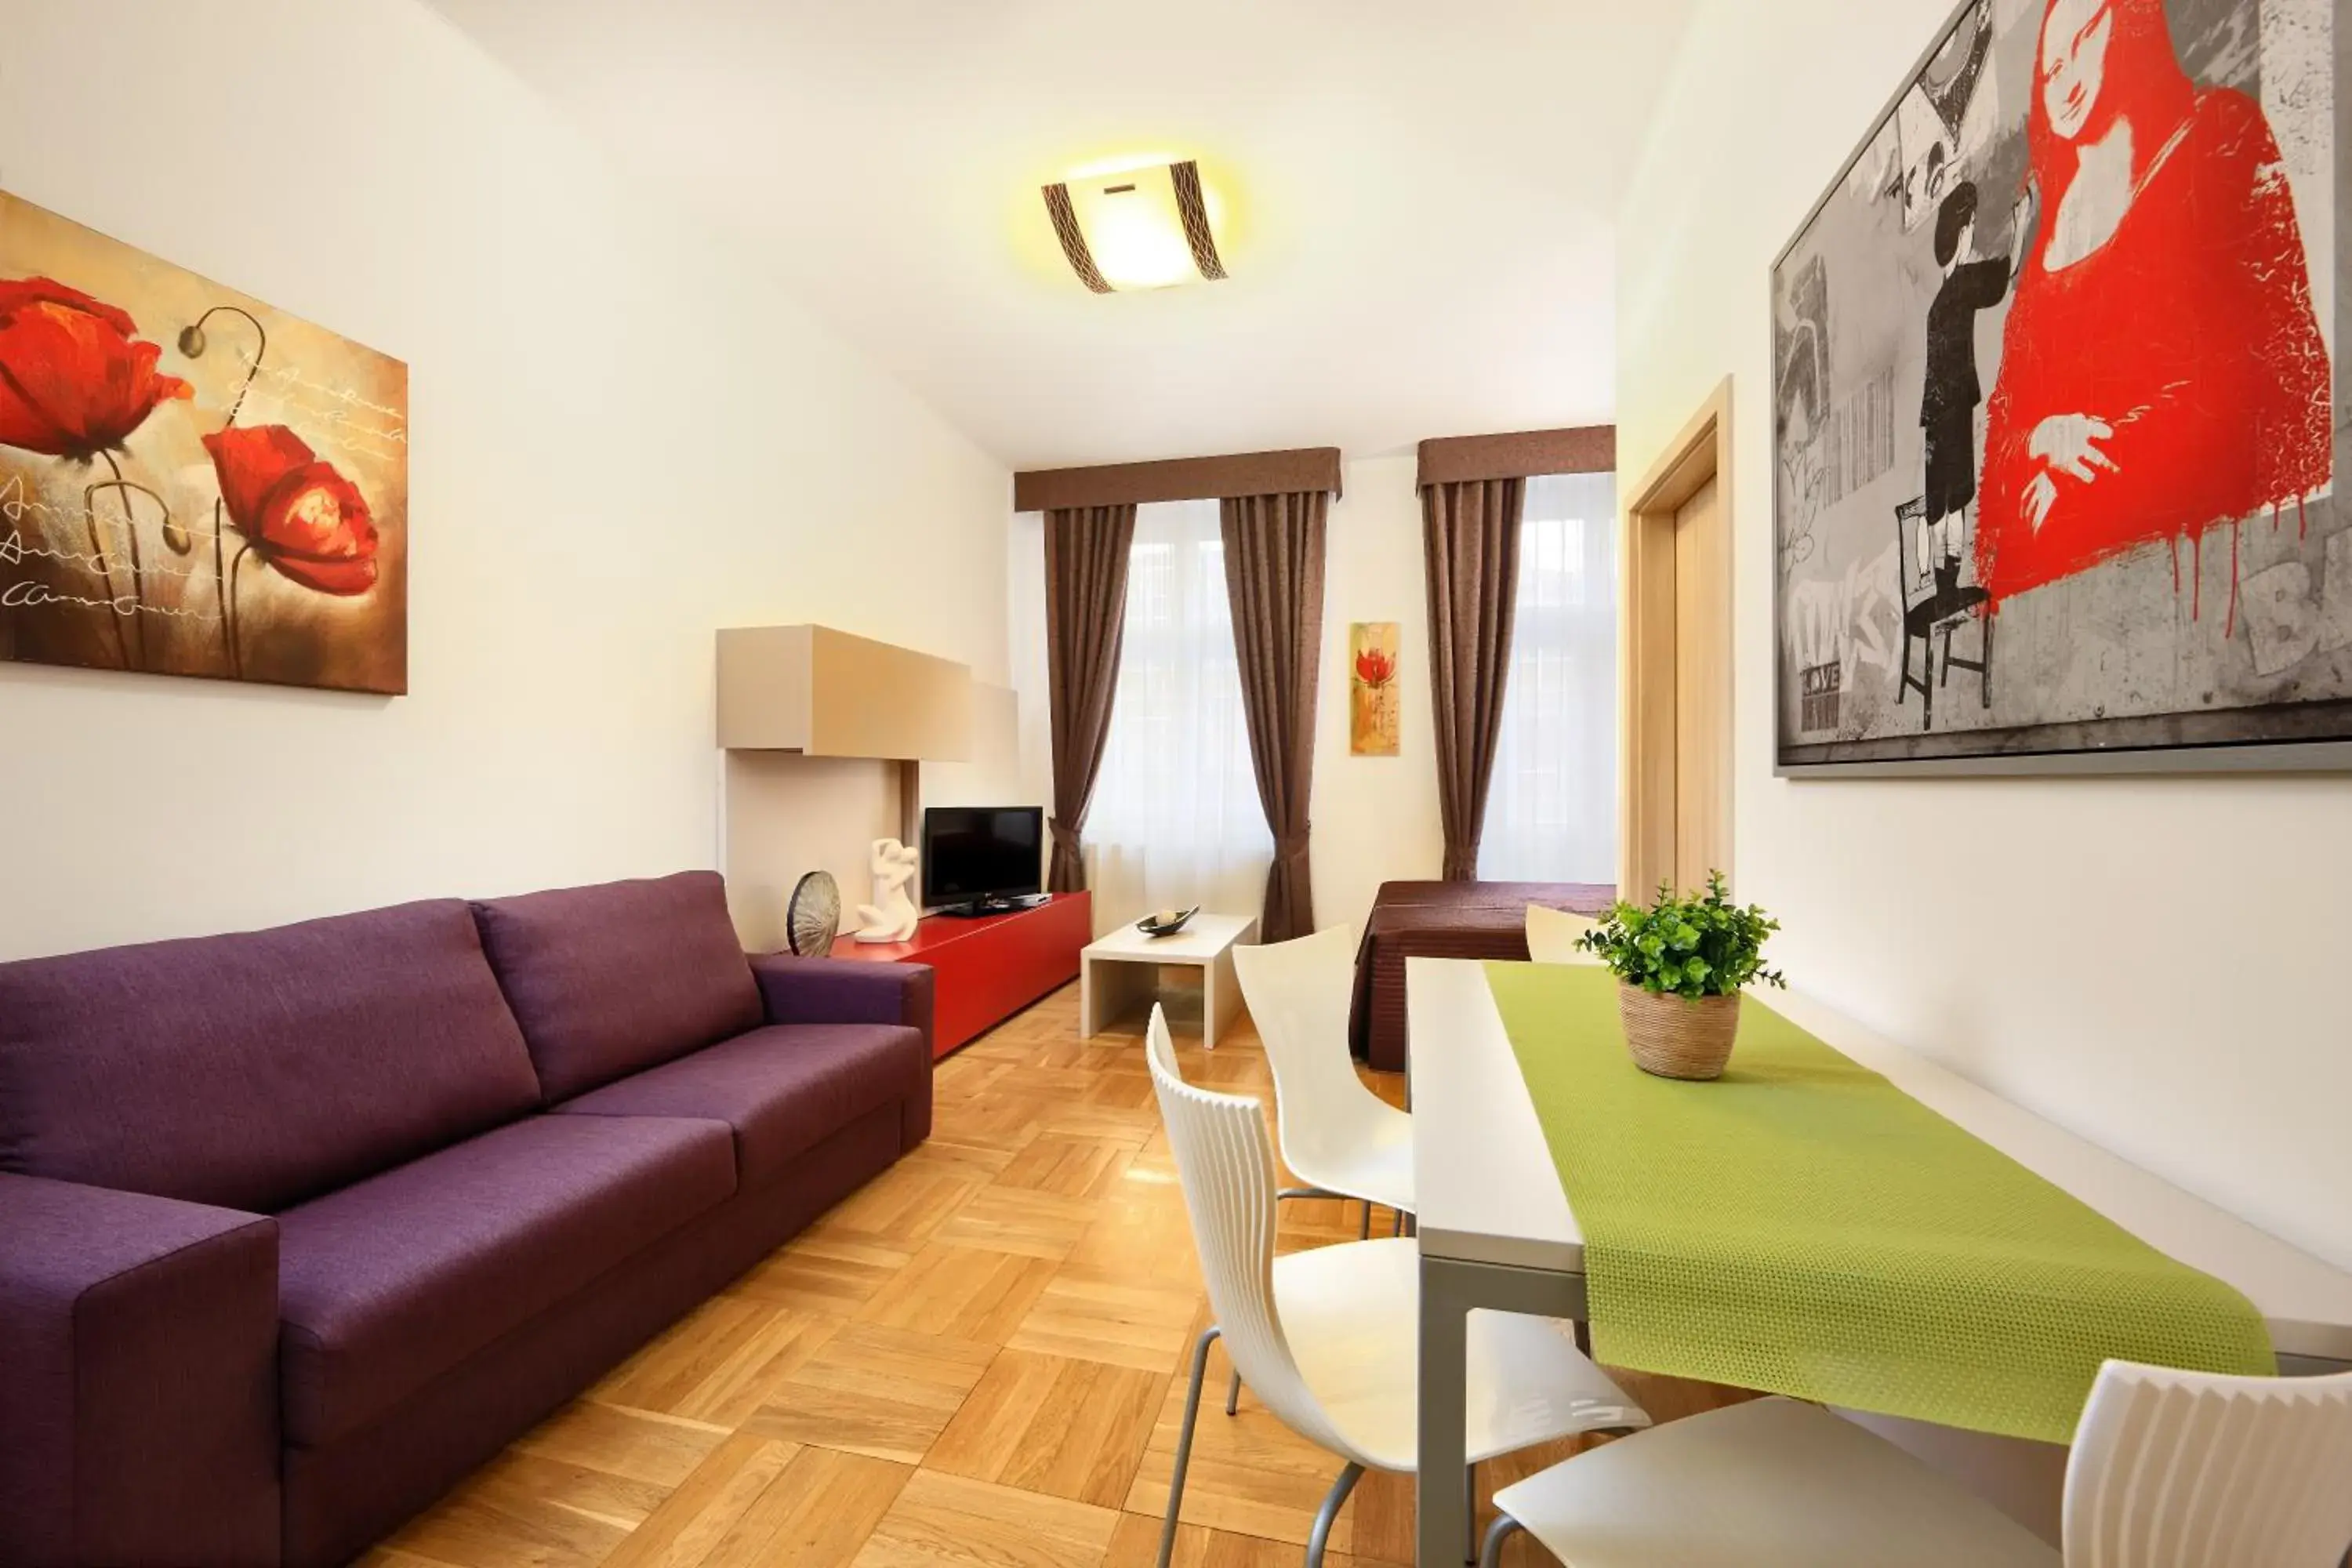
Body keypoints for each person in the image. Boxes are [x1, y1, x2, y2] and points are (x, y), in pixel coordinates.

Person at [1975, 0, 2331, 605]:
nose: (2066, 79)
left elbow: (2266, 368)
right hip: (2062, 593)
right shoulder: (2039, 248)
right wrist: (2044, 441)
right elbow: (2004, 421)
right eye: (2051, 67)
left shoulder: (2218, 136)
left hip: (2200, 570)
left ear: (2131, 22)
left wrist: (2082, 480)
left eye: (2085, 37)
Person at [1918, 179, 2027, 590]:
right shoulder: (1963, 284)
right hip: (1954, 408)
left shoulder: (1936, 306)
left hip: (1934, 414)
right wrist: (2021, 222)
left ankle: (1944, 587)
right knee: (1958, 495)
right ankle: (1949, 584)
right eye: (1972, 226)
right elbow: (2004, 275)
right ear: (1963, 235)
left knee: (1940, 499)